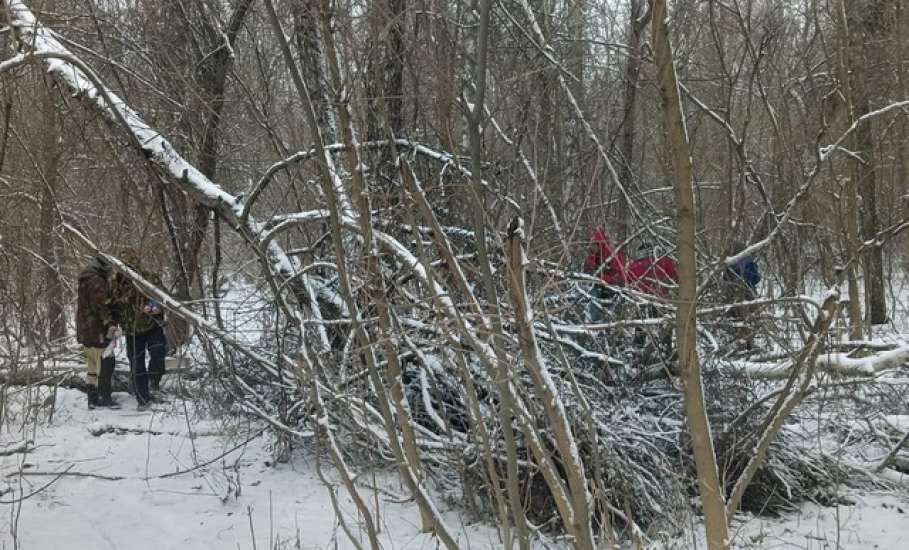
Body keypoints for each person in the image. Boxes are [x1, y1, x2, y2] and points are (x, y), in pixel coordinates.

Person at [112, 249, 167, 407]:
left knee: (158, 352)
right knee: (137, 364)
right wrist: (112, 324)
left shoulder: (148, 278)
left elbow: (162, 297)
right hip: (132, 331)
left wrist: (153, 306)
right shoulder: (116, 285)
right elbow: (112, 306)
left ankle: (153, 382)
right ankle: (142, 399)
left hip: (152, 325)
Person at [76, 255, 120, 409]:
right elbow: (101, 307)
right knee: (106, 363)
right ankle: (104, 397)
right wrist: (111, 325)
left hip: (85, 331)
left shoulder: (85, 280)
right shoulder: (97, 283)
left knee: (92, 366)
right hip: (97, 330)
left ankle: (92, 398)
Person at [583, 228, 628, 320]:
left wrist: (603, 279)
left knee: (611, 310)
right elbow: (587, 273)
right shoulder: (593, 256)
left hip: (613, 288)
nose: (592, 248)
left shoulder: (612, 256)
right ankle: (595, 322)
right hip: (599, 288)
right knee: (593, 295)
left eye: (594, 245)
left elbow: (619, 276)